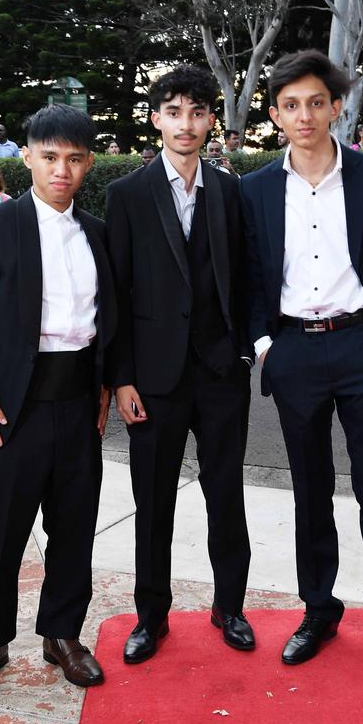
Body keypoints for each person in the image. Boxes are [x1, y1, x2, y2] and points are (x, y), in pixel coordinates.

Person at [241, 49, 363, 668]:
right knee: (310, 491)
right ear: (275, 115)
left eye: (317, 102)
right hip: (294, 352)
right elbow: (249, 277)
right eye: (292, 105)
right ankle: (319, 610)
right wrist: (266, 346)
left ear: (336, 107)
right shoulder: (254, 189)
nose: (306, 114)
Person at [0, 103, 117, 705]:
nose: (61, 170)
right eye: (49, 157)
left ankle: (61, 635)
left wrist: (103, 385)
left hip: (76, 404)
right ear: (27, 157)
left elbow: (107, 320)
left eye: (73, 159)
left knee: (74, 527)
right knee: (2, 532)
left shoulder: (98, 231)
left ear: (88, 162)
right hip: (8, 410)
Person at [107, 64, 254, 664]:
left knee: (227, 495)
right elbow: (114, 293)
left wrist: (244, 351)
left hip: (221, 373)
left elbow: (246, 277)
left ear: (210, 119)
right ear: (156, 118)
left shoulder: (228, 190)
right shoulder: (127, 194)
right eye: (174, 112)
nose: (186, 123)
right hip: (153, 379)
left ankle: (231, 606)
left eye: (197, 112)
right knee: (154, 501)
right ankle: (151, 615)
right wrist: (120, 377)